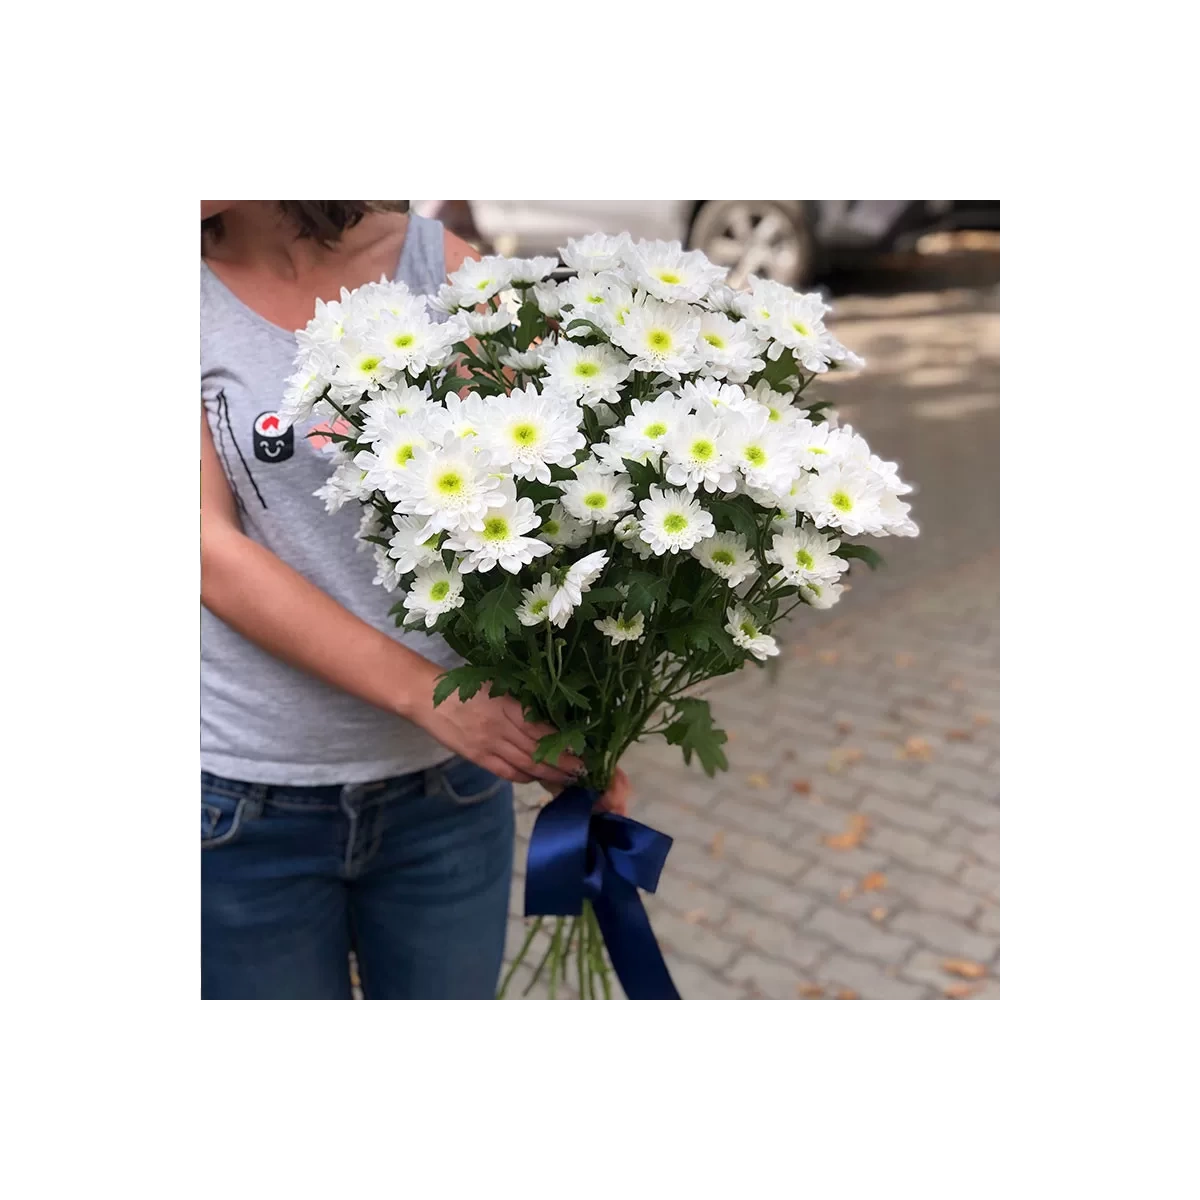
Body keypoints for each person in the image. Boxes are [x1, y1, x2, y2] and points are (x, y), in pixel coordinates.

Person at [201, 201, 628, 1000]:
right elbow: (203, 544)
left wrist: (577, 711)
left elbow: (563, 490)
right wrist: (431, 694)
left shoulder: (442, 267)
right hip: (243, 803)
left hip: (446, 790)